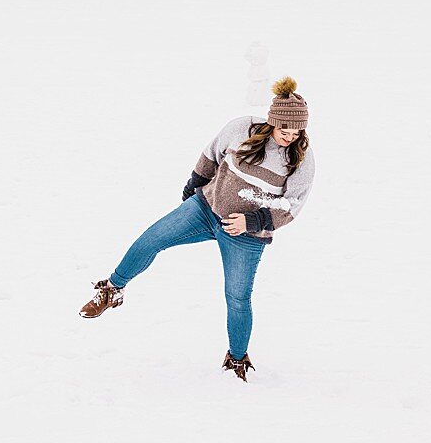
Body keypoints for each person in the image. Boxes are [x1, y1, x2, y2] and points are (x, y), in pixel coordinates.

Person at [80, 77, 317, 381]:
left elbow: (291, 206)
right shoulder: (241, 129)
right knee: (151, 239)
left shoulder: (301, 159)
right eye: (285, 130)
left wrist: (252, 221)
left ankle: (236, 359)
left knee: (237, 297)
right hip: (206, 209)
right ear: (272, 122)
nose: (290, 136)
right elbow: (210, 156)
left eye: (297, 132)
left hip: (245, 235)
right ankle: (113, 290)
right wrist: (192, 191)